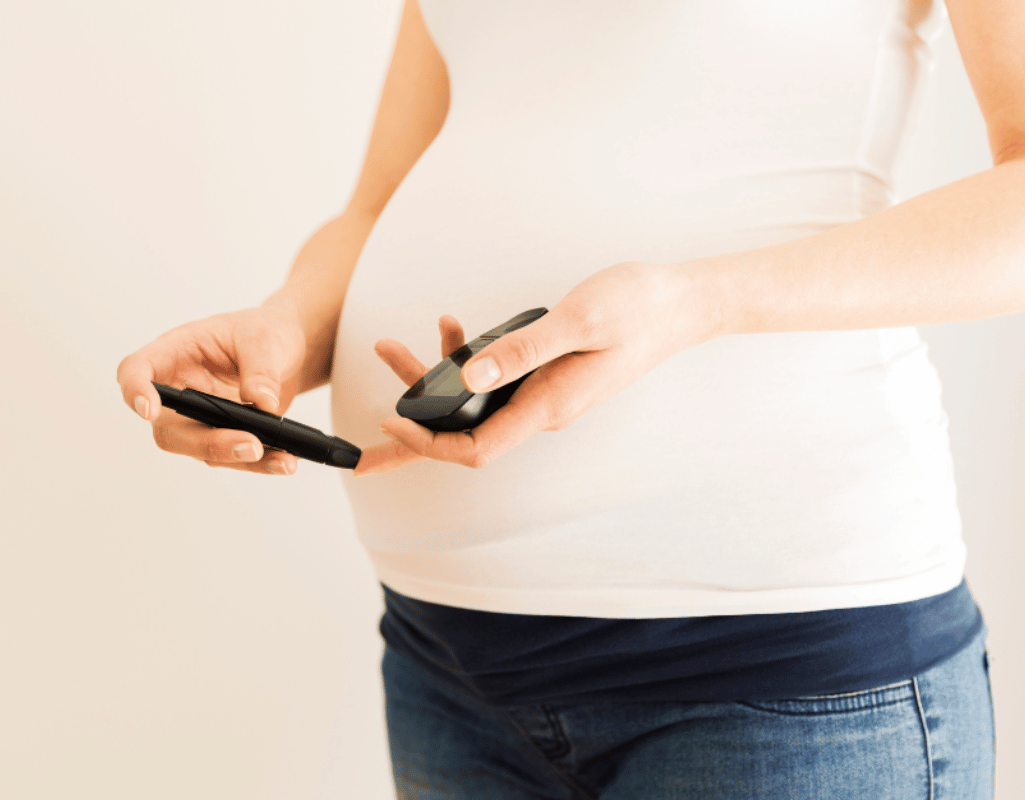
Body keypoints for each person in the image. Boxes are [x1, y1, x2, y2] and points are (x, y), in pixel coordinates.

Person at [117, 0, 1023, 796]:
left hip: (782, 670)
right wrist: (287, 326)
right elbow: (380, 200)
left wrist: (700, 301)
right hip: (449, 669)